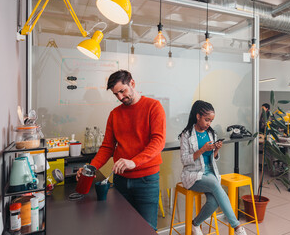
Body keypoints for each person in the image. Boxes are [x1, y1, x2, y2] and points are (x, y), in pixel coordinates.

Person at [76, 70, 166, 231]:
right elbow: (107, 147)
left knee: (147, 229)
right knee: (122, 228)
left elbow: (158, 142)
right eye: (115, 94)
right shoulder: (114, 115)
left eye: (122, 91)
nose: (119, 97)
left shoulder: (153, 106)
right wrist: (91, 168)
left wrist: (134, 162)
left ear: (132, 83)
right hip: (120, 180)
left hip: (147, 180)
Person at [179, 100, 247, 235]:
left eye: (211, 120)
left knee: (214, 201)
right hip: (193, 174)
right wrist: (202, 150)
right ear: (198, 116)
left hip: (210, 171)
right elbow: (184, 160)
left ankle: (195, 224)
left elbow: (213, 157)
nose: (209, 123)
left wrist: (216, 150)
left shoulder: (211, 133)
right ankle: (237, 227)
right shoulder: (186, 135)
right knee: (216, 186)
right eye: (207, 120)